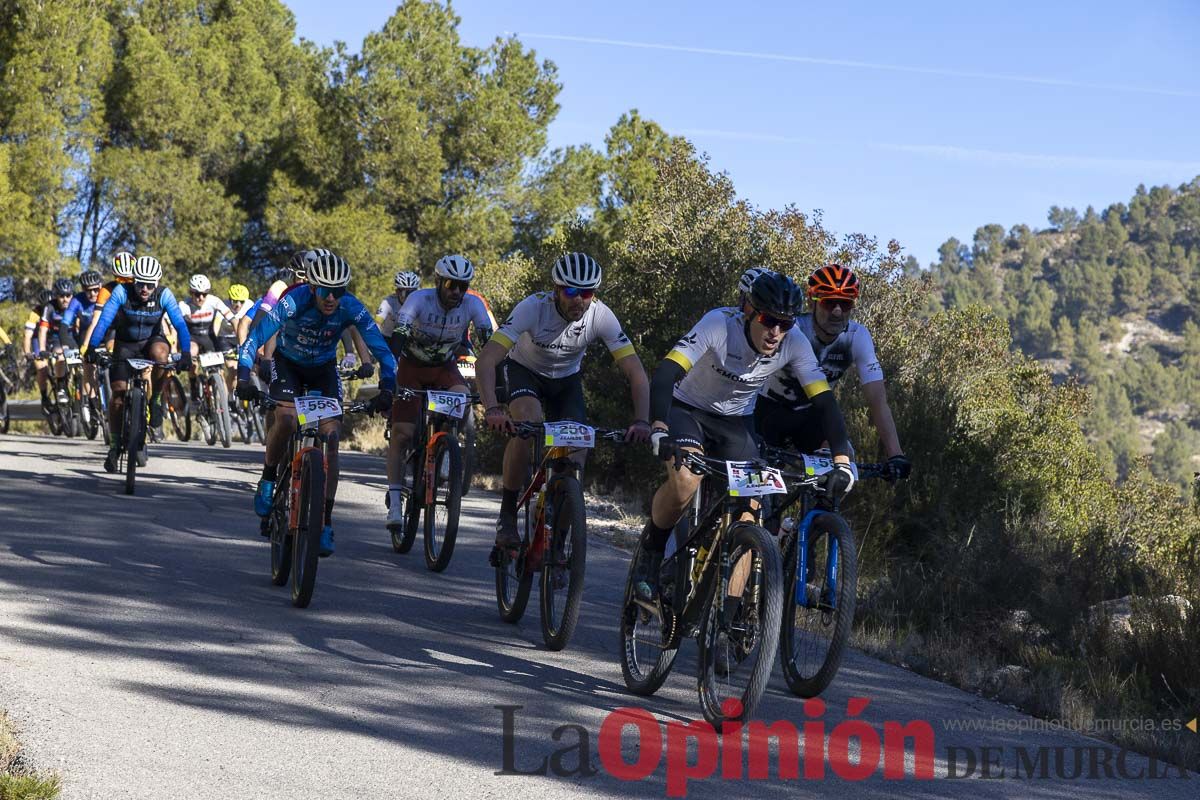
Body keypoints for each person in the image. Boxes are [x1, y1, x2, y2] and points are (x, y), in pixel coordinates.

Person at [633, 271, 855, 603]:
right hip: (688, 409)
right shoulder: (719, 325)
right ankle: (652, 550)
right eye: (768, 320)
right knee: (686, 480)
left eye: (786, 323)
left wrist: (841, 461)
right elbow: (667, 372)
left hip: (736, 422)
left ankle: (730, 615)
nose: (776, 331)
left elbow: (824, 403)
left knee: (751, 510)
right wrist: (660, 427)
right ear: (749, 310)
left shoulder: (794, 343)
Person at [476, 252, 651, 548]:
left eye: (586, 293)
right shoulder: (533, 308)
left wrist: (643, 421)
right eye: (570, 291)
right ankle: (507, 513)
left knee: (577, 454)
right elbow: (487, 360)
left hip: (566, 381)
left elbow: (635, 372)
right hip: (524, 372)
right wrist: (492, 408)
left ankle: (558, 541)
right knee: (527, 423)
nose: (578, 300)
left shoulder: (600, 315)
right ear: (556, 289)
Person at [236, 251, 396, 557]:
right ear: (312, 287)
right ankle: (269, 478)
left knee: (332, 438)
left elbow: (383, 352)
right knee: (284, 419)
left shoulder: (350, 306)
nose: (332, 299)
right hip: (288, 365)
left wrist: (388, 386)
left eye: (339, 291)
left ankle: (324, 520)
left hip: (324, 369)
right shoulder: (293, 301)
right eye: (325, 291)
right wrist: (244, 377)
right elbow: (253, 339)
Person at [755, 263, 911, 479]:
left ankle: (822, 512)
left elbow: (877, 401)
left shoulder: (857, 337)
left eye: (845, 304)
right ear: (812, 302)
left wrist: (896, 455)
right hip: (768, 411)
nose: (837, 311)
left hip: (812, 416)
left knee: (844, 459)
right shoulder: (793, 329)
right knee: (756, 486)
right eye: (829, 303)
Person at [383, 255, 494, 530]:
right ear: (438, 282)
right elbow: (398, 336)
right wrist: (389, 376)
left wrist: (498, 382)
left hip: (444, 366)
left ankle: (445, 452)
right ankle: (395, 501)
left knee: (462, 399)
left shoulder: (472, 304)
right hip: (411, 366)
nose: (456, 291)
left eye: (462, 286)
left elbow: (489, 343)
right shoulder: (419, 300)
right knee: (402, 433)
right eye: (450, 284)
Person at [86, 256, 192, 473]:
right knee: (117, 394)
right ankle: (115, 447)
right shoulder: (121, 292)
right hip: (125, 344)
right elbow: (104, 320)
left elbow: (180, 325)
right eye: (140, 283)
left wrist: (187, 353)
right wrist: (92, 347)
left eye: (150, 284)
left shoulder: (164, 295)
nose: (144, 289)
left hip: (152, 342)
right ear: (133, 280)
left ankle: (155, 400)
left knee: (161, 356)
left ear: (158, 282)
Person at [178, 274, 237, 400]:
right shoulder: (184, 304)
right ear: (191, 292)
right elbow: (172, 322)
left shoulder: (213, 301)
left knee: (220, 372)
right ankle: (193, 386)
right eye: (197, 294)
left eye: (204, 294)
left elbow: (233, 319)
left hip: (209, 337)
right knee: (192, 356)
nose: (200, 298)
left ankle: (224, 405)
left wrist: (241, 337)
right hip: (193, 337)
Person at [22, 289, 53, 411]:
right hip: (37, 339)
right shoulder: (35, 313)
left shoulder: (60, 308)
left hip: (54, 338)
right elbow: (27, 335)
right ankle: (44, 396)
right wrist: (27, 352)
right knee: (42, 368)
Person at [377, 271, 421, 357]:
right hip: (387, 337)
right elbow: (377, 323)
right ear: (397, 292)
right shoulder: (388, 302)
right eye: (405, 292)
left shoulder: (420, 303)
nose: (409, 296)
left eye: (412, 292)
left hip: (408, 338)